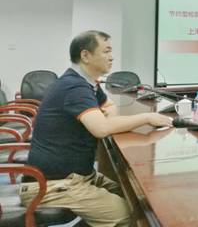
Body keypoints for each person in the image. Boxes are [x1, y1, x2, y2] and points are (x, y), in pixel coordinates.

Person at [20, 30, 173, 227]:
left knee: (136, 198)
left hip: (78, 177)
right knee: (129, 215)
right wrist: (147, 117)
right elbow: (101, 129)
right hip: (51, 185)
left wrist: (107, 120)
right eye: (106, 51)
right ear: (85, 55)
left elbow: (109, 106)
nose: (112, 56)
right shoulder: (74, 87)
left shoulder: (86, 83)